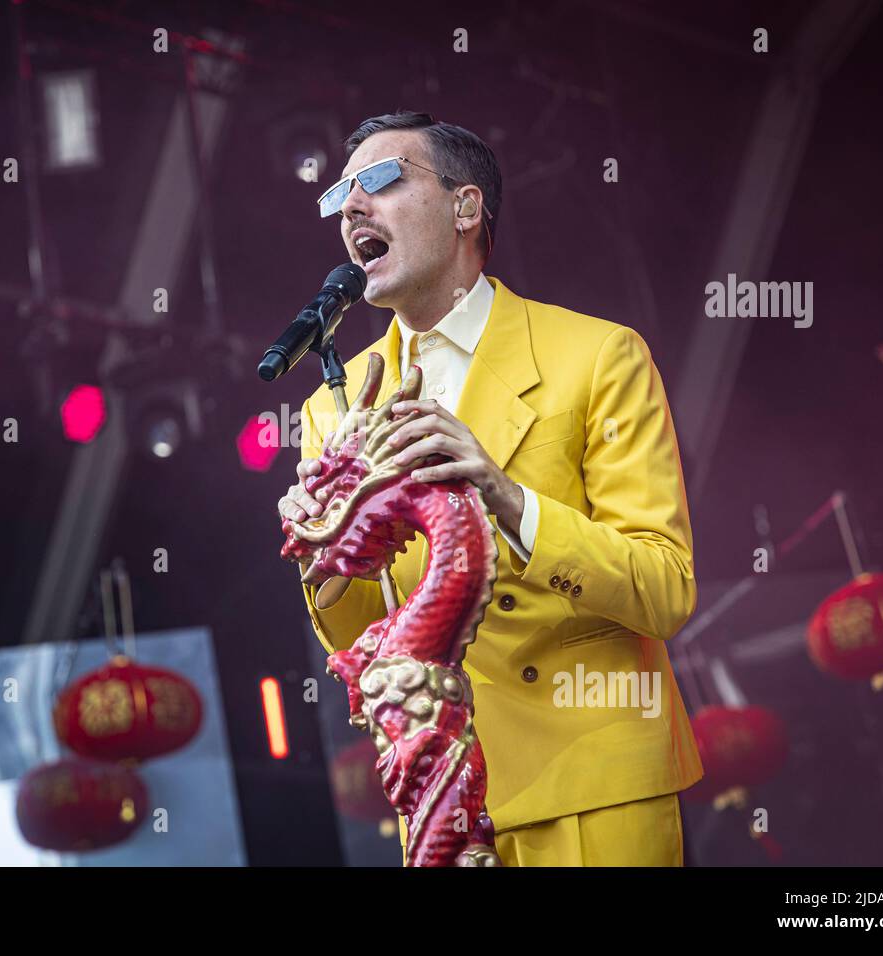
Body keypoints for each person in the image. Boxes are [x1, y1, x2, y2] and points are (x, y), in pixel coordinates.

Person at [276, 111, 702, 866]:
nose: (351, 208)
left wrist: (504, 496)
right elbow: (363, 639)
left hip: (591, 782)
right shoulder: (330, 409)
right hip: (441, 796)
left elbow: (664, 589)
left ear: (466, 207)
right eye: (341, 195)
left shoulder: (597, 355)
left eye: (380, 180)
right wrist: (327, 560)